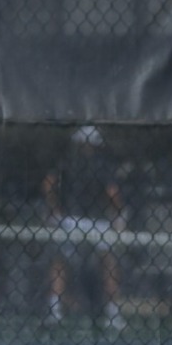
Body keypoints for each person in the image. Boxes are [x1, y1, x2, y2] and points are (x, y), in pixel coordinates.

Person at [42, 124, 128, 332]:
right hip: (97, 222)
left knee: (60, 263)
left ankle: (55, 311)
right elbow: (112, 192)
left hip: (71, 220)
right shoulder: (101, 164)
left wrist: (54, 209)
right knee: (108, 264)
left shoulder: (67, 163)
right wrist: (119, 213)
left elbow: (48, 184)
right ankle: (113, 314)